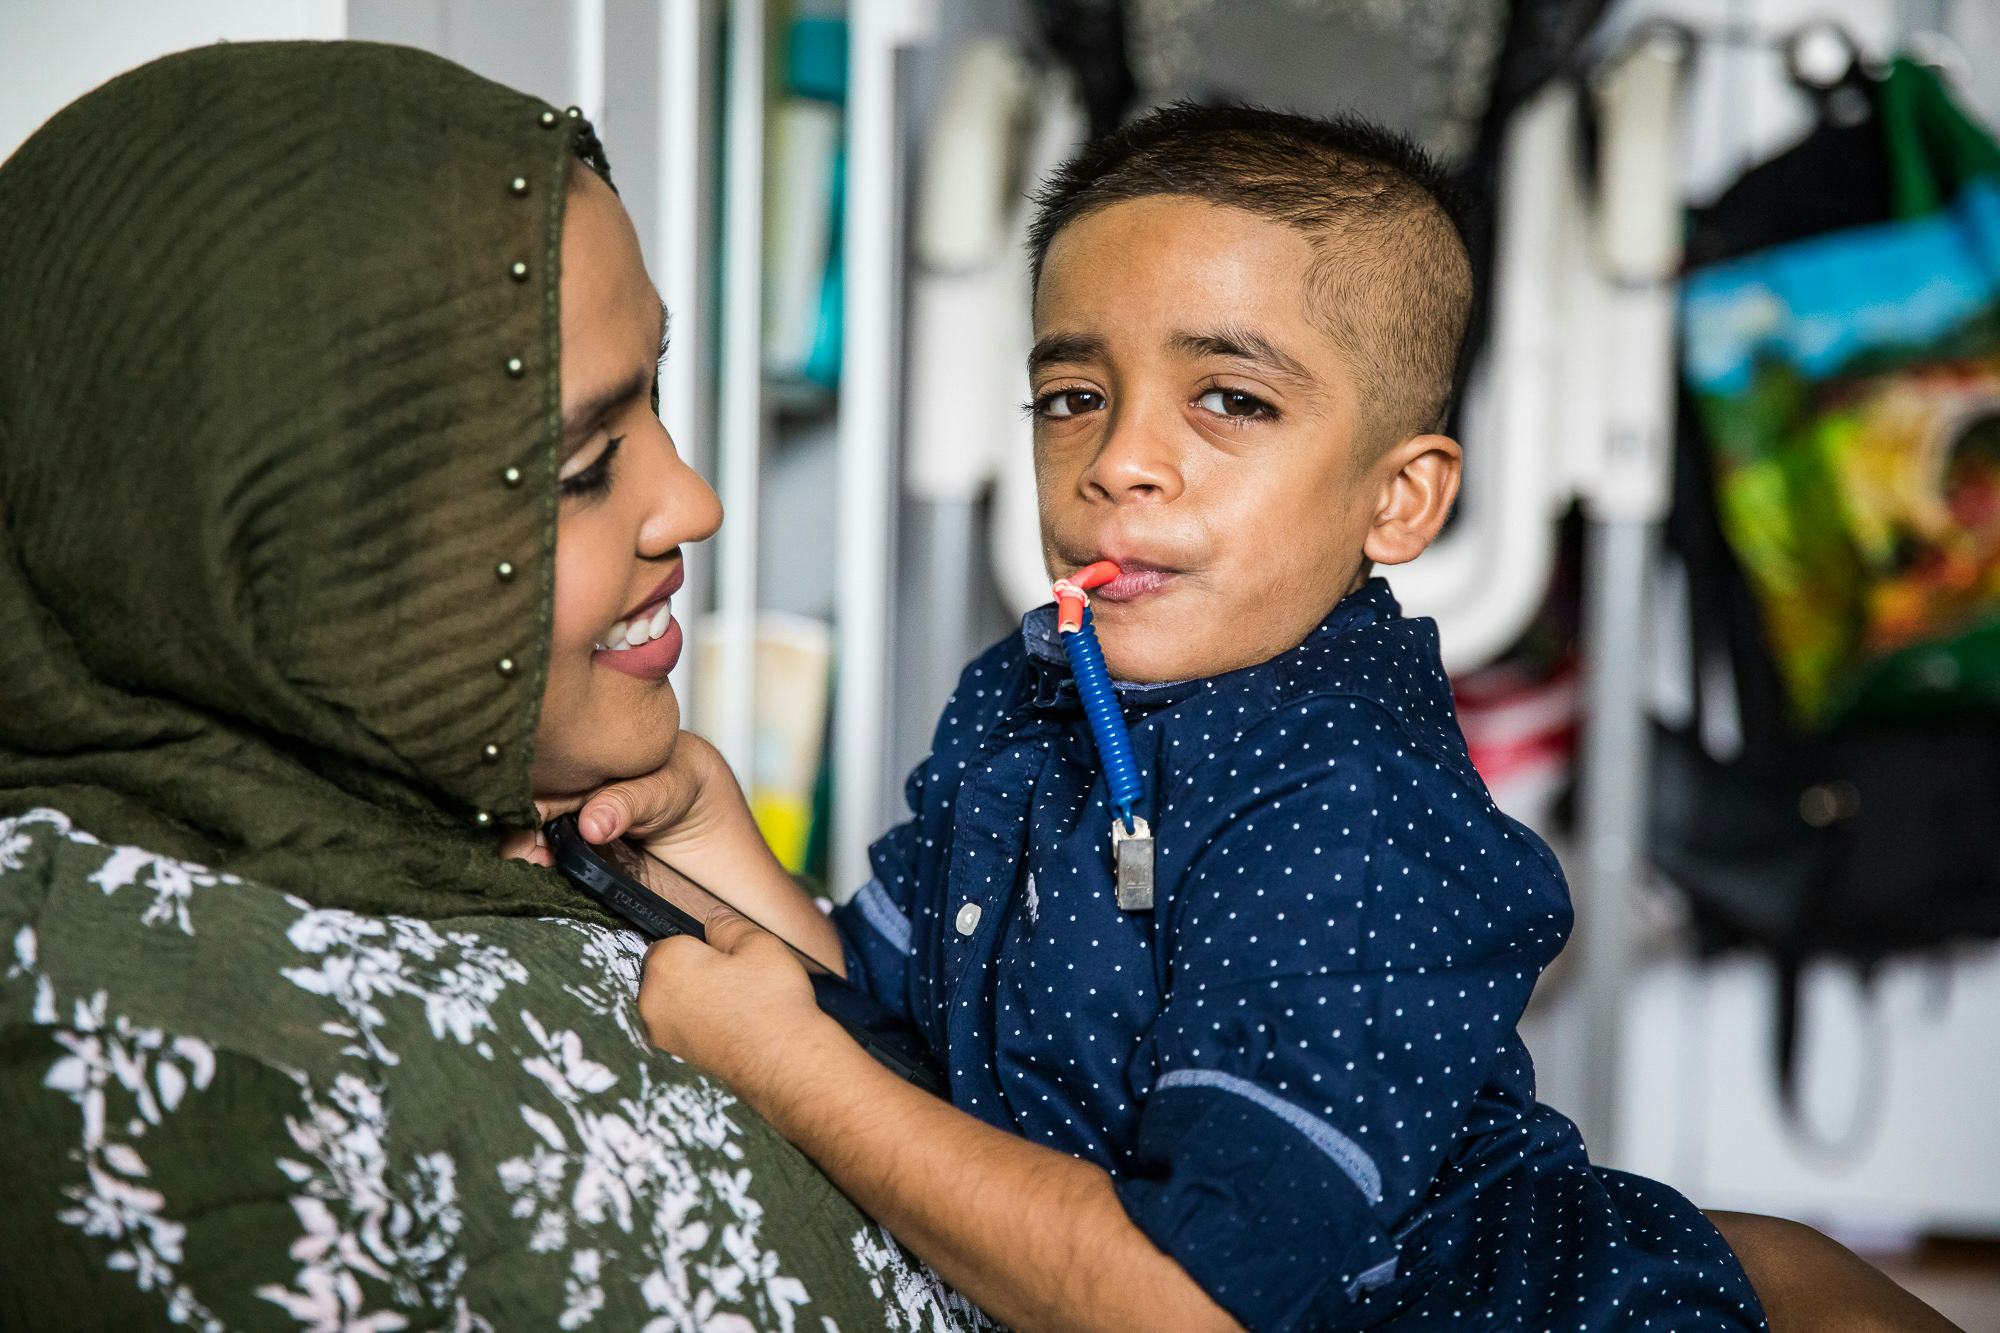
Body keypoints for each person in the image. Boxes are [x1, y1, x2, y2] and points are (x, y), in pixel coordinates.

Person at [627, 105, 1957, 1332]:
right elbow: (887, 1015)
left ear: (1400, 502)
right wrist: (704, 821)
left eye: (1233, 399)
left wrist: (790, 1068)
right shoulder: (1030, 699)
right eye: (1073, 395)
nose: (1119, 463)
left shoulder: (1354, 815)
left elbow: (1193, 1304)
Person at [0, 41, 984, 1330]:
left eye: (658, 403)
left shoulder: (538, 834)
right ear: (280, 557)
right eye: (580, 469)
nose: (693, 500)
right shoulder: (152, 1049)